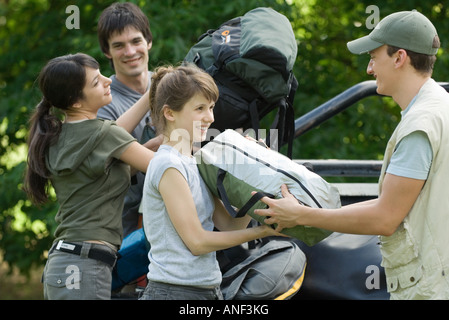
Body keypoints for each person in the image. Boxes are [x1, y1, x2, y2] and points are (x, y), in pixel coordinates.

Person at [254, 10, 449, 300]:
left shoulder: (419, 127)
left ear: (399, 58)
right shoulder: (441, 106)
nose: (370, 69)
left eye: (374, 57)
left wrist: (301, 216)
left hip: (430, 288)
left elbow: (385, 218)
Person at [139, 64, 282, 300]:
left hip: (205, 290)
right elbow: (197, 242)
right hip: (174, 292)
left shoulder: (194, 163)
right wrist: (265, 230)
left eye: (212, 107)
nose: (210, 117)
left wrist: (254, 169)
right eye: (200, 108)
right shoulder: (168, 164)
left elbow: (230, 226)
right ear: (170, 113)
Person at [23, 53, 155, 300]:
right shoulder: (104, 135)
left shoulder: (57, 136)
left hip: (65, 262)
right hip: (84, 265)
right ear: (75, 102)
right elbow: (165, 168)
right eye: (96, 82)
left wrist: (151, 99)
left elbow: (113, 154)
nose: (108, 81)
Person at [97, 2, 162, 237]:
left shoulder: (173, 87)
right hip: (123, 231)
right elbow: (104, 171)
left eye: (136, 41)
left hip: (175, 223)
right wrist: (154, 149)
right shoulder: (101, 101)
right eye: (119, 45)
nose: (130, 52)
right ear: (107, 51)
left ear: (148, 42)